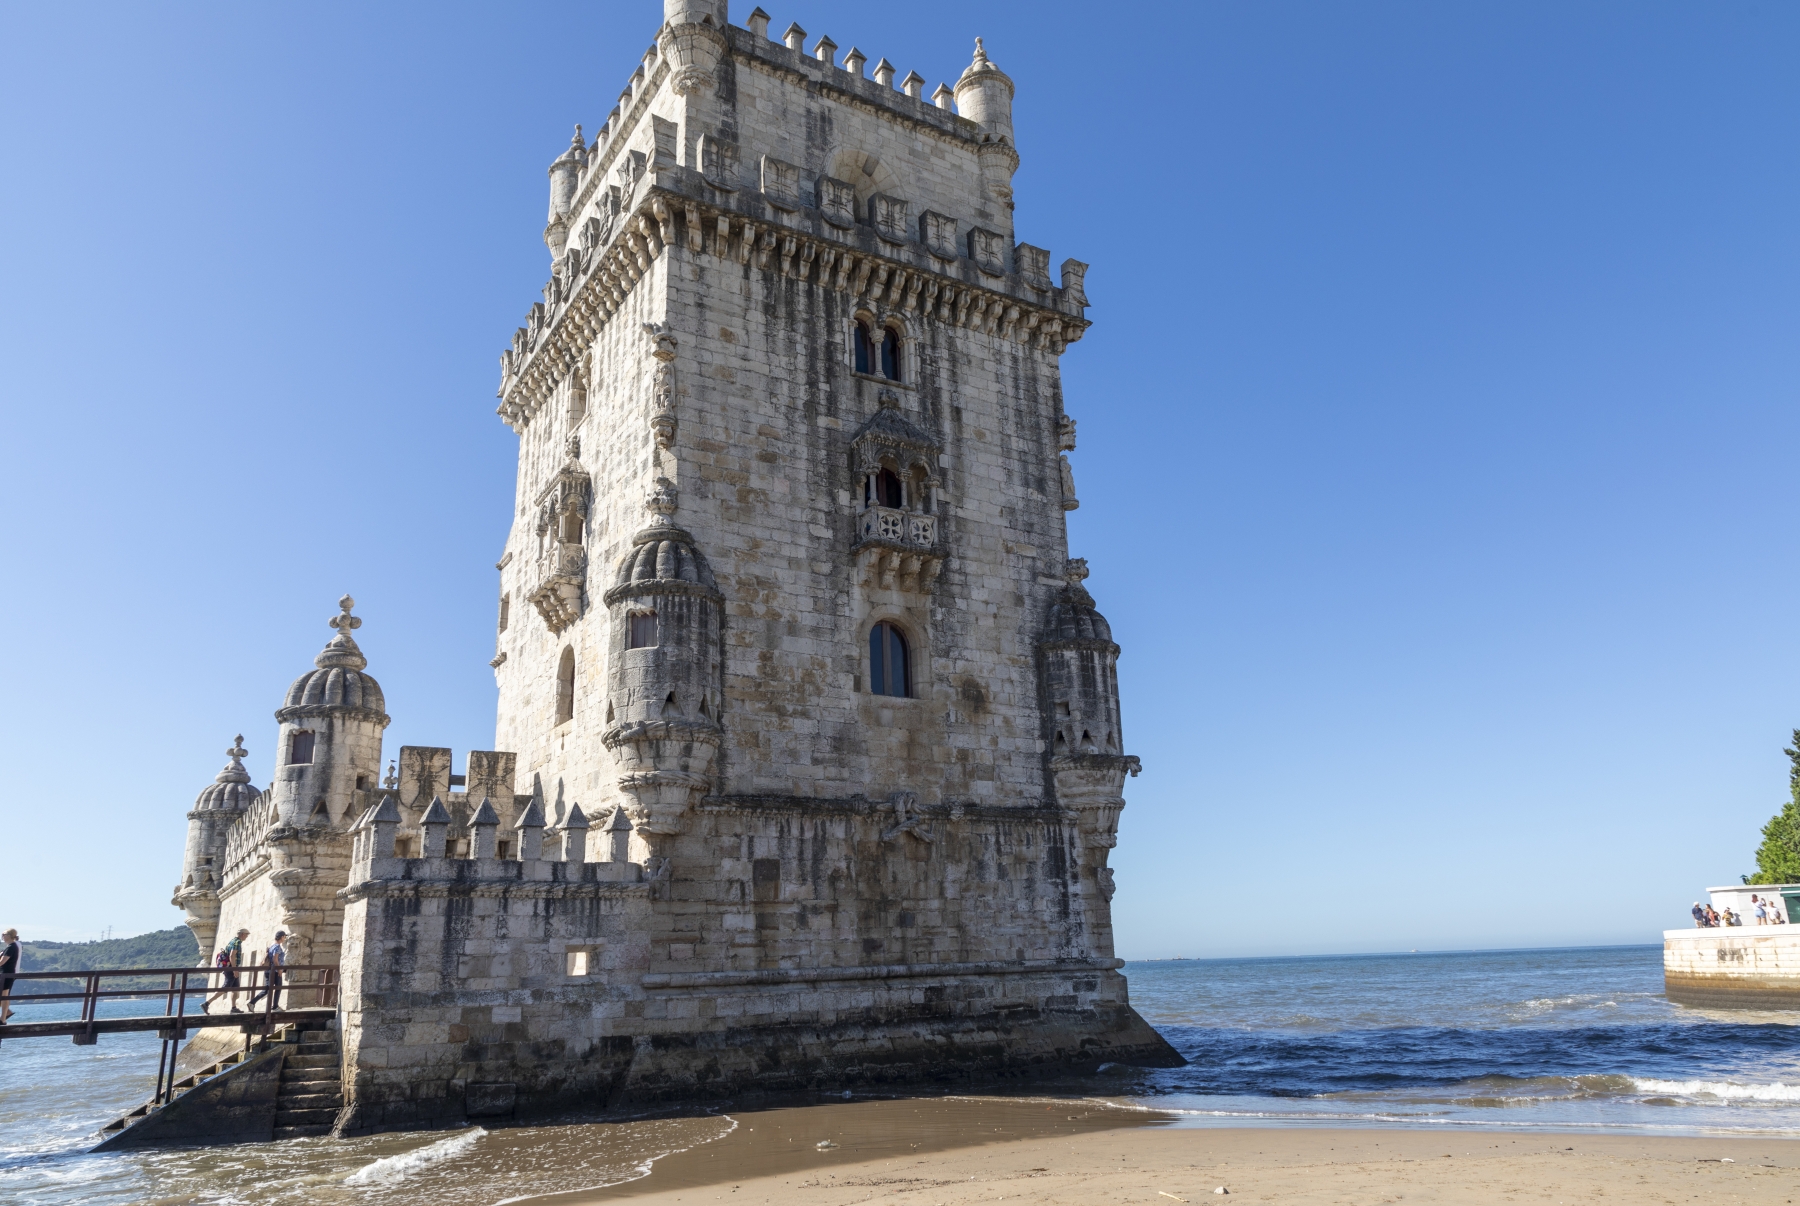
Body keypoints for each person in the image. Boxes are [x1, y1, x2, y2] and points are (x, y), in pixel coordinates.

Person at [205, 928, 250, 1013]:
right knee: (225, 988)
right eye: (246, 935)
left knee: (235, 988)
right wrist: (234, 970)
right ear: (243, 934)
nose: (247, 937)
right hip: (231, 968)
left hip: (230, 967)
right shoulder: (237, 942)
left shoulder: (232, 940)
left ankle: (233, 1008)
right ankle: (207, 1003)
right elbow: (232, 956)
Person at [247, 931, 287, 1011]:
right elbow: (275, 960)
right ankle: (275, 1006)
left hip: (268, 970)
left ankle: (252, 1002)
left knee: (267, 989)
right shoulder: (277, 947)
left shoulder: (271, 946)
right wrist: (279, 969)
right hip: (275, 971)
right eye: (284, 937)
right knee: (278, 988)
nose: (284, 938)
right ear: (282, 937)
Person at [0, 929, 20, 1023]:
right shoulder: (10, 947)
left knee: (4, 996)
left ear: (9, 935)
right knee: (4, 996)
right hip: (6, 974)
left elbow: (2, 962)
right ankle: (6, 1013)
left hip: (6, 974)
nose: (2, 936)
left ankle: (3, 1019)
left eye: (4, 934)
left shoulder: (11, 947)